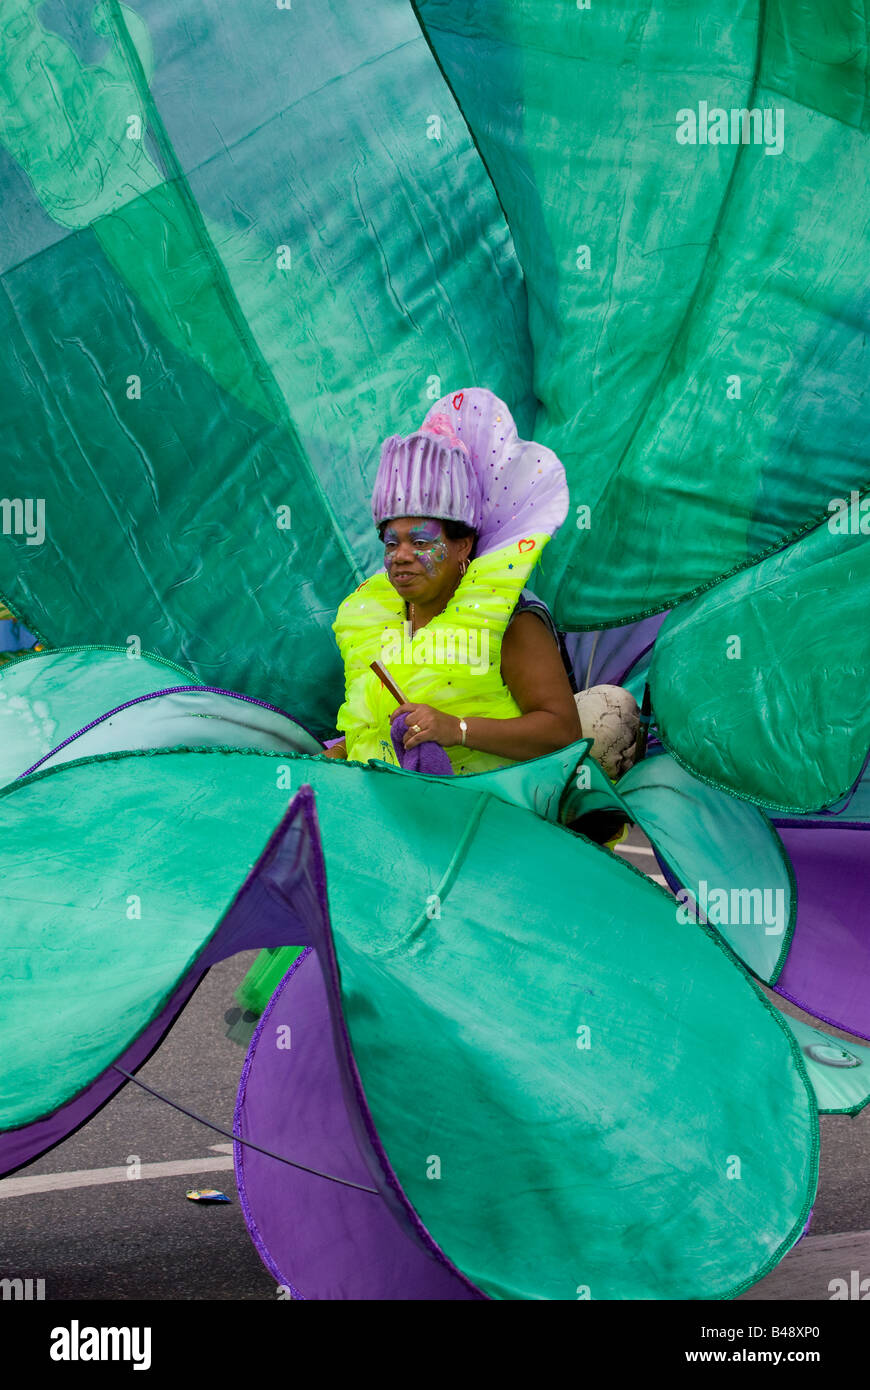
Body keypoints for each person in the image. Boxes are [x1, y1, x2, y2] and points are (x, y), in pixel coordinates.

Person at [324, 389, 581, 773]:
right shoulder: (375, 619)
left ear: (464, 545)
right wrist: (342, 751)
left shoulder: (511, 620)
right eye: (391, 542)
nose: (401, 555)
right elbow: (378, 724)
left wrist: (456, 729)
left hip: (488, 812)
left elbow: (562, 734)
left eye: (422, 541)